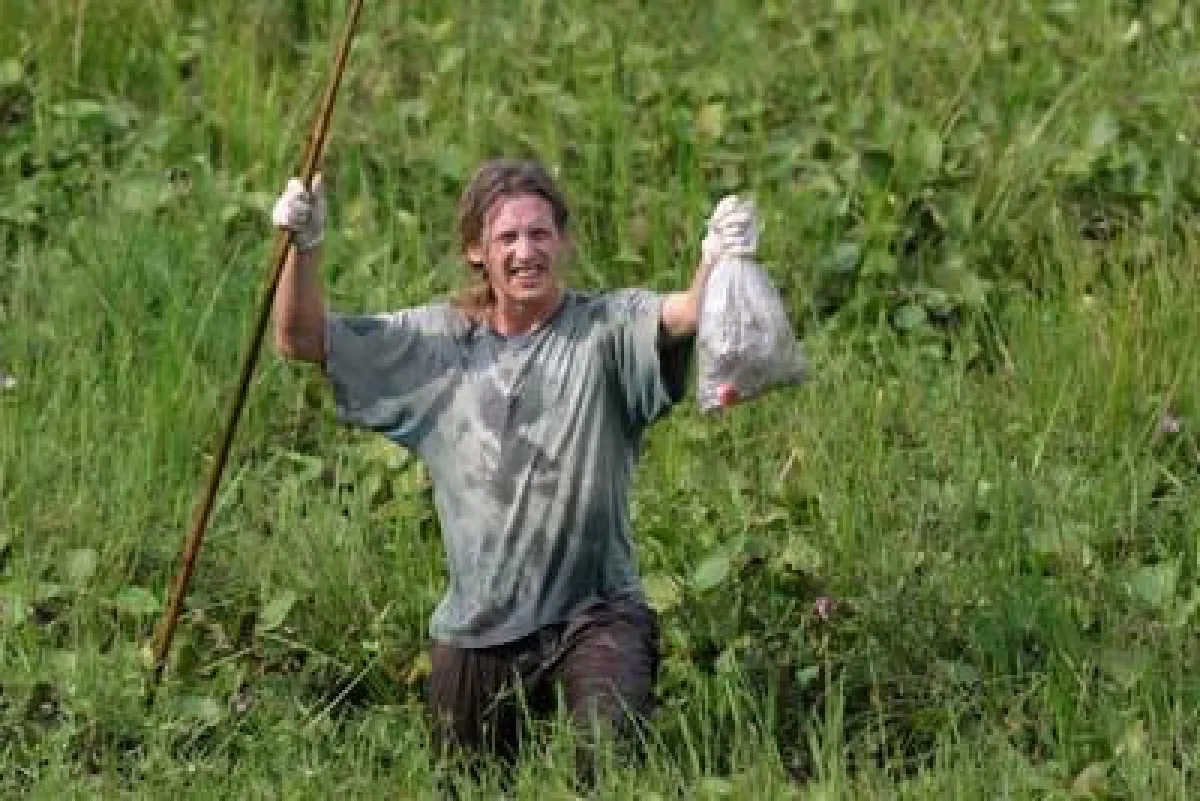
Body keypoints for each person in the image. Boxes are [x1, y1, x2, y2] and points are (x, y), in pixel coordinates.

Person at [269, 157, 734, 779]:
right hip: (480, 621)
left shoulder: (604, 330)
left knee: (608, 764)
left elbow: (688, 312)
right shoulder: (438, 344)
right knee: (464, 782)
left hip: (595, 612)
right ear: (476, 253)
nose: (525, 252)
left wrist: (720, 255)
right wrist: (304, 245)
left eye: (540, 234)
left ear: (564, 242)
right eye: (507, 238)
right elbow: (300, 339)